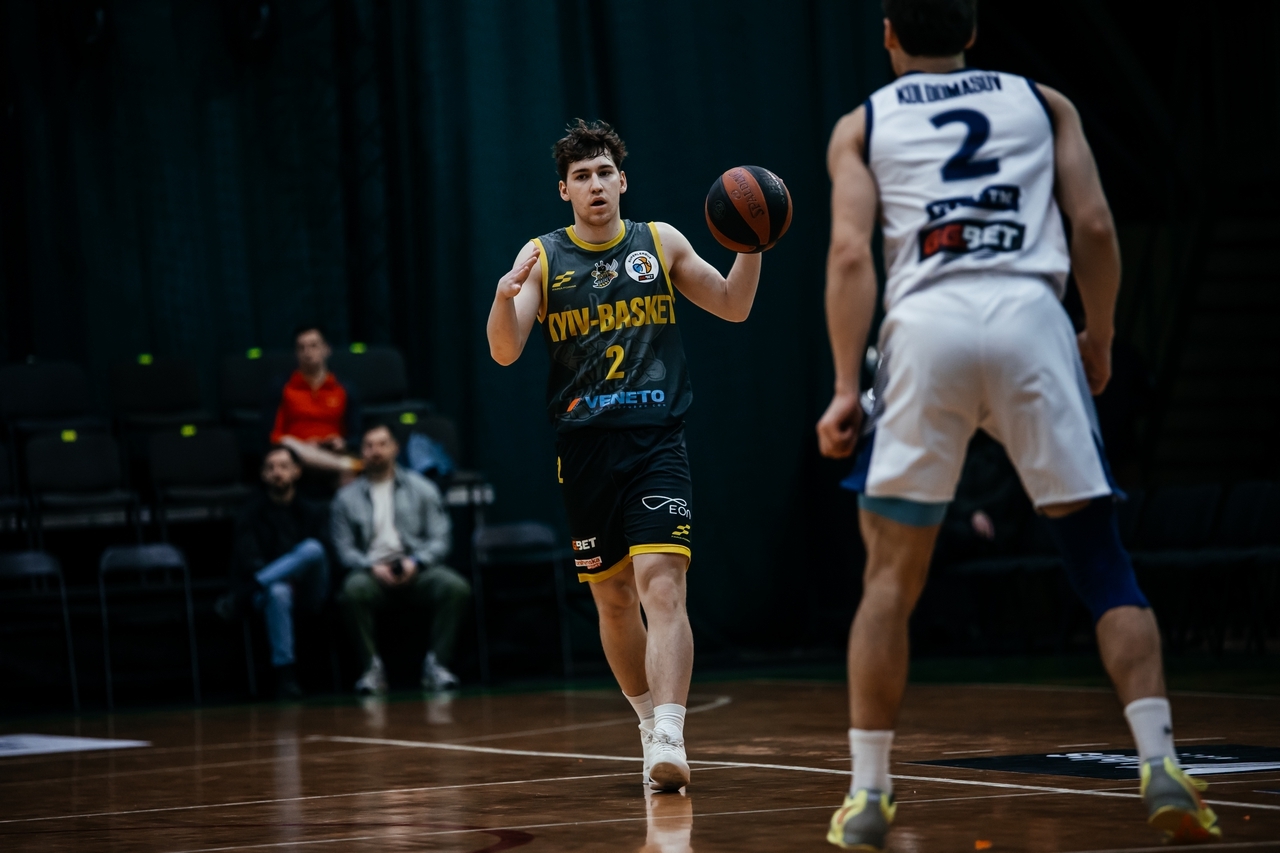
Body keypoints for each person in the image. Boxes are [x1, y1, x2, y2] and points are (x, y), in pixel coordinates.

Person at [817, 1, 1220, 848]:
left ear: (888, 34)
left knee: (888, 581)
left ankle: (869, 792)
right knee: (1103, 563)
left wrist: (847, 386)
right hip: (1032, 319)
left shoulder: (862, 123)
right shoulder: (1044, 101)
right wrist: (1099, 336)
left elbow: (851, 255)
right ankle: (1160, 762)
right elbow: (1095, 225)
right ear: (973, 32)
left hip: (925, 327)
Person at [486, 119, 765, 793]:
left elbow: (733, 305)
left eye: (604, 172)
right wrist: (502, 297)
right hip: (584, 449)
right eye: (581, 176)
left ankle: (669, 731)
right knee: (613, 600)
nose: (595, 185)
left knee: (661, 583)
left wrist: (752, 246)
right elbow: (504, 349)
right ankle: (646, 723)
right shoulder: (542, 256)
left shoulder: (660, 242)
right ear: (564, 190)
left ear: (623, 180)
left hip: (655, 439)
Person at [333, 423, 471, 694]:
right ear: (361, 452)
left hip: (416, 568)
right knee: (352, 590)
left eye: (382, 444)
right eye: (369, 445)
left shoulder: (423, 488)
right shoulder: (345, 499)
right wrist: (371, 567)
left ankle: (437, 665)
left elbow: (441, 539)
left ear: (395, 448)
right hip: (371, 573)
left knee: (455, 587)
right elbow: (344, 549)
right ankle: (371, 669)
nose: (376, 451)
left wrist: (416, 563)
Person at [218, 445, 331, 699]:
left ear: (297, 471)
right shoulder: (250, 514)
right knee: (279, 592)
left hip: (308, 589)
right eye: (270, 468)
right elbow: (249, 561)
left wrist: (275, 577)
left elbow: (324, 556)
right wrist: (280, 576)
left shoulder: (313, 510)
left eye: (283, 467)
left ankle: (254, 586)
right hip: (270, 594)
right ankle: (286, 675)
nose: (277, 472)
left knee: (313, 548)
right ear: (263, 474)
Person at [270, 325, 361, 476]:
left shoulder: (344, 388)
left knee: (350, 475)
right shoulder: (282, 387)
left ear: (327, 349)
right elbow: (274, 436)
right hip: (296, 455)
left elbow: (356, 434)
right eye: (301, 348)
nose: (307, 352)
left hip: (333, 452)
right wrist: (303, 445)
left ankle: (343, 466)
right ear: (296, 353)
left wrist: (342, 443)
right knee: (287, 446)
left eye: (313, 346)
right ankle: (348, 465)